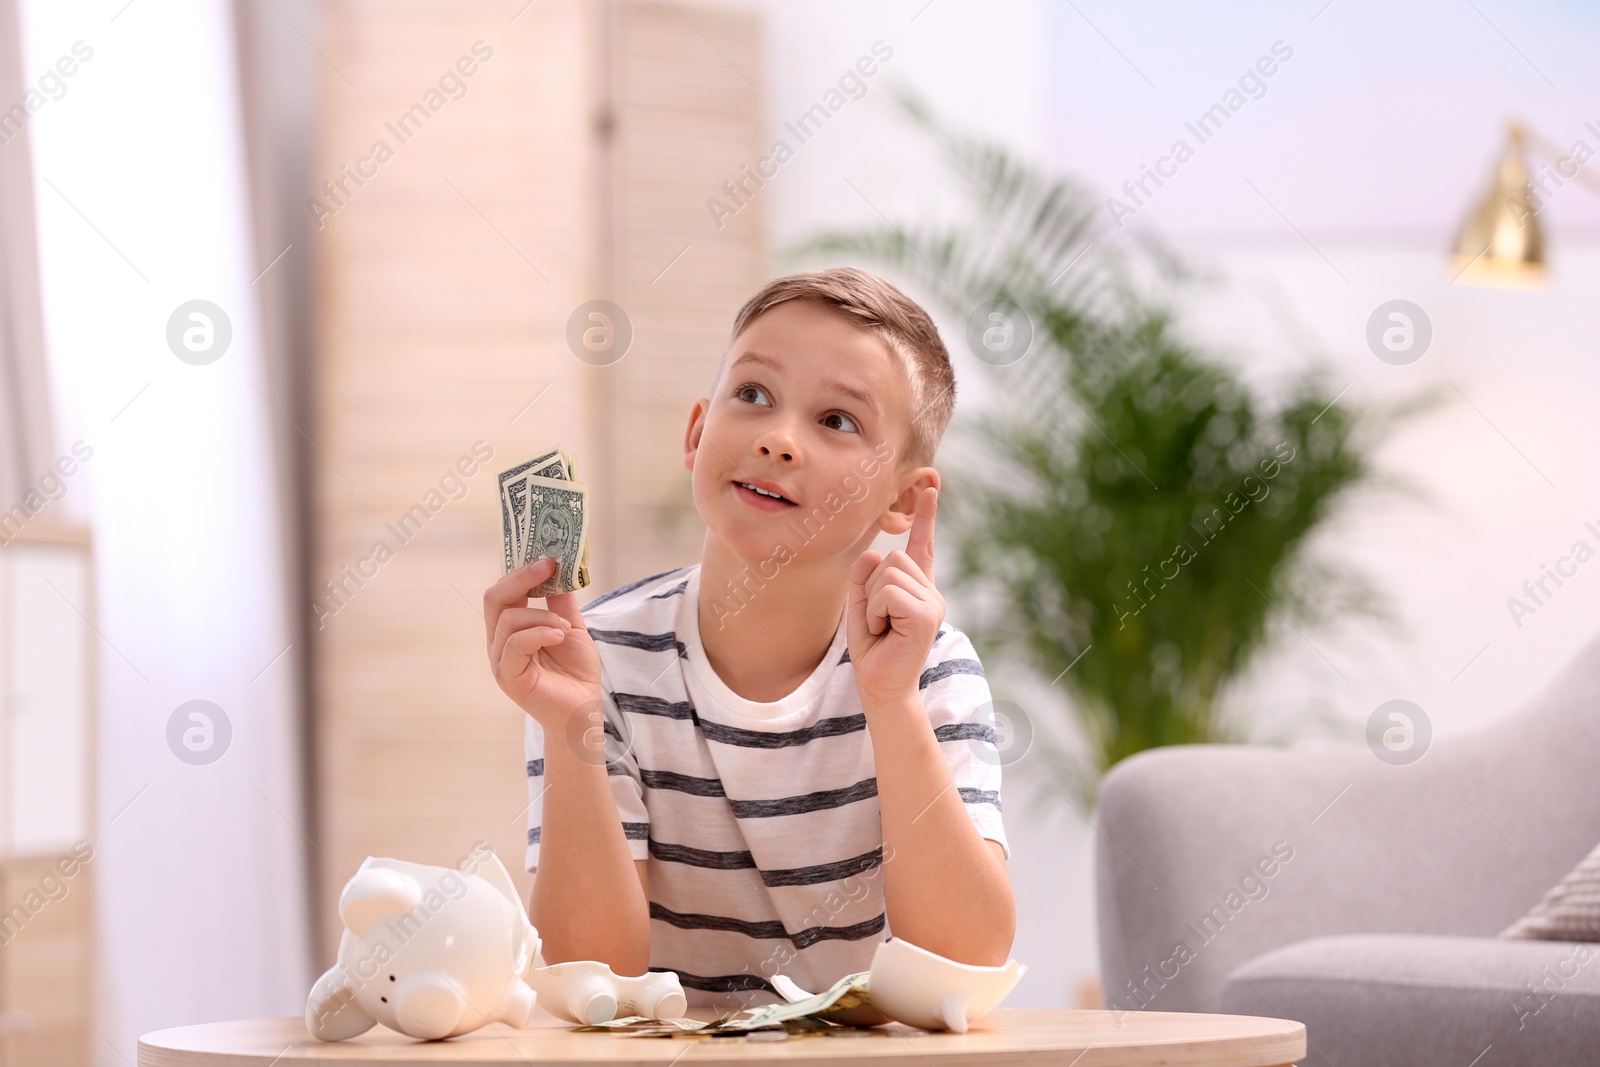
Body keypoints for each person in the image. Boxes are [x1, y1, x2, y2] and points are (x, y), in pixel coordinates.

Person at [482, 267, 1014, 1010]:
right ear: (698, 433)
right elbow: (591, 977)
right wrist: (572, 723)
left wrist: (890, 703)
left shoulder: (928, 668)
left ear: (901, 498)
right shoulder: (596, 658)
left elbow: (966, 961)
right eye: (754, 395)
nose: (779, 440)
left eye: (837, 420)